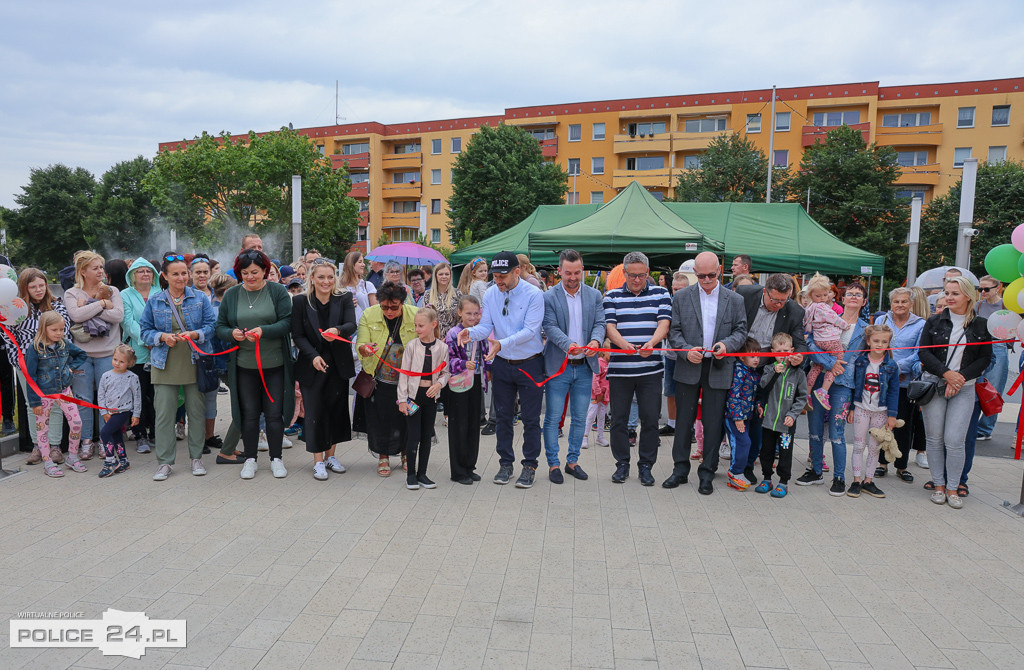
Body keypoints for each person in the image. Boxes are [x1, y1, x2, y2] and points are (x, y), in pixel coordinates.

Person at [458, 251, 545, 488]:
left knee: (530, 419)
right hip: (503, 364)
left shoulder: (534, 294)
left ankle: (529, 466)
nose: (498, 281)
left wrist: (501, 344)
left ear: (518, 271)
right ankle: (505, 464)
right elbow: (486, 326)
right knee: (503, 418)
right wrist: (469, 333)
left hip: (530, 363)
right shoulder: (491, 294)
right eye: (495, 276)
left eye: (502, 276)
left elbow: (530, 331)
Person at [665, 252, 748, 494]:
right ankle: (679, 470)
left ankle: (707, 474)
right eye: (701, 276)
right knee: (683, 423)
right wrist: (685, 351)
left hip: (719, 367)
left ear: (720, 271)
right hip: (689, 366)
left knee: (713, 424)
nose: (707, 280)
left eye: (711, 275)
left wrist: (726, 345)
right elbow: (674, 332)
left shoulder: (734, 299)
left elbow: (741, 331)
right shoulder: (681, 297)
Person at [216, 249, 294, 481]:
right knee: (248, 414)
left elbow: (287, 322)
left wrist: (264, 331)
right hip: (243, 365)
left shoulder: (278, 291)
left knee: (273, 413)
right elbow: (220, 327)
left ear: (265, 271)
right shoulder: (231, 295)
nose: (250, 277)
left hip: (275, 364)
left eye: (255, 272)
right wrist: (233, 334)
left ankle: (276, 458)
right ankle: (250, 459)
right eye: (245, 273)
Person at [141, 253, 219, 481]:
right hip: (164, 364)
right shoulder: (155, 300)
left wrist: (196, 334)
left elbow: (211, 326)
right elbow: (144, 330)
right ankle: (165, 463)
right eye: (175, 274)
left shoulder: (200, 298)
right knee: (164, 415)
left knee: (196, 412)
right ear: (164, 276)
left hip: (195, 362)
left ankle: (196, 458)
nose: (181, 277)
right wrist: (163, 336)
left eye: (184, 273)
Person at [918, 276, 992, 509]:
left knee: (955, 440)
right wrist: (947, 374)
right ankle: (939, 485)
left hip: (965, 388)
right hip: (935, 384)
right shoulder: (934, 322)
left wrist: (959, 379)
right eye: (947, 293)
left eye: (955, 293)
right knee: (935, 438)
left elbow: (985, 358)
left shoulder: (981, 324)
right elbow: (924, 353)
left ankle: (953, 487)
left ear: (968, 295)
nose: (949, 297)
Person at [602, 251, 672, 486]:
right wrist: (625, 346)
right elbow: (609, 328)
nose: (637, 280)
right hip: (621, 370)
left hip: (651, 370)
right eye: (632, 275)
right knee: (619, 420)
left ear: (647, 273)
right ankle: (622, 464)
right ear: (624, 273)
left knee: (650, 419)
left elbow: (664, 323)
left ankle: (646, 465)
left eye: (641, 275)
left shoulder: (662, 293)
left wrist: (652, 343)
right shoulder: (611, 296)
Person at [541, 249, 606, 484]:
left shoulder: (594, 295)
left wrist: (596, 341)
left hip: (585, 366)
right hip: (559, 367)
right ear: (559, 271)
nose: (573, 277)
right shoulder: (549, 297)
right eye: (568, 273)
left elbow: (600, 323)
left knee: (579, 417)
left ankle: (573, 461)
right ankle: (553, 464)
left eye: (577, 272)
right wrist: (569, 344)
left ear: (583, 270)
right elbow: (549, 327)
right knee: (553, 417)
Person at [735, 274, 807, 482]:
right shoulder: (745, 294)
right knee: (735, 414)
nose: (778, 305)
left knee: (759, 418)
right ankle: (731, 461)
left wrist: (798, 357)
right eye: (774, 300)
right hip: (741, 362)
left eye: (783, 301)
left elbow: (800, 342)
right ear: (765, 291)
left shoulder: (794, 311)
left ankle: (749, 465)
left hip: (768, 369)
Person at [801, 282, 869, 495]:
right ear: (842, 298)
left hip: (843, 383)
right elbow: (809, 342)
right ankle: (816, 471)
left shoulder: (865, 329)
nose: (853, 297)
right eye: (850, 294)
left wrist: (856, 401)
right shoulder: (824, 312)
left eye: (858, 295)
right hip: (818, 376)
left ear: (864, 301)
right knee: (814, 429)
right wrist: (829, 363)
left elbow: (862, 362)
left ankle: (839, 477)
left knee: (837, 433)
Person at [291, 258, 356, 481]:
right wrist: (313, 356)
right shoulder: (301, 301)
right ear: (312, 278)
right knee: (315, 412)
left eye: (330, 277)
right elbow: (297, 335)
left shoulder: (344, 297)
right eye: (321, 277)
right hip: (312, 364)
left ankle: (331, 456)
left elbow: (351, 325)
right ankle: (318, 461)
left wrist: (337, 330)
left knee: (336, 410)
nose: (326, 281)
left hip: (338, 363)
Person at [64, 251, 124, 460]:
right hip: (82, 355)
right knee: (83, 399)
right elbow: (76, 315)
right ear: (83, 271)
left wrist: (89, 306)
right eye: (95, 268)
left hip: (108, 353)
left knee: (106, 399)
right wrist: (101, 304)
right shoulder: (72, 293)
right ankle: (86, 441)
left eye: (101, 267)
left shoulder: (113, 290)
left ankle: (105, 440)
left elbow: (118, 316)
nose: (100, 271)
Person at [7, 268, 70, 464]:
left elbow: (64, 331)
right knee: (32, 404)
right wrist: (17, 360)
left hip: (51, 362)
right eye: (33, 286)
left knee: (54, 404)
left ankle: (54, 446)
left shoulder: (56, 306)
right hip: (26, 363)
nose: (38, 289)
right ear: (24, 288)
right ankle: (37, 445)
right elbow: (9, 337)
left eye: (41, 285)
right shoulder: (16, 309)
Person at [356, 281, 418, 476]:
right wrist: (364, 350)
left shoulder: (415, 314)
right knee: (381, 418)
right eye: (385, 307)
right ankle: (383, 456)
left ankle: (406, 454)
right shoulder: (369, 314)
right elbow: (361, 344)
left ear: (403, 302)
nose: (389, 311)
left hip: (407, 378)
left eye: (394, 307)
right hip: (380, 377)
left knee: (407, 417)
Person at [24, 312, 87, 478]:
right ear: (43, 329)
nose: (59, 333)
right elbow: (30, 377)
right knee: (43, 429)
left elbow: (82, 354)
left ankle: (72, 457)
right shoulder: (35, 348)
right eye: (54, 330)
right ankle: (47, 462)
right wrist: (35, 402)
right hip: (44, 395)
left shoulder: (64, 344)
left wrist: (70, 368)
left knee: (76, 422)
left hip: (65, 391)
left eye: (61, 329)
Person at [873, 287, 925, 482]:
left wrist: (896, 369)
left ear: (911, 304)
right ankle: (881, 463)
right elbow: (875, 346)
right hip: (881, 379)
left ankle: (902, 466)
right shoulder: (881, 321)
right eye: (896, 301)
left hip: (905, 381)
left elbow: (919, 352)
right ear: (891, 304)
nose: (900, 305)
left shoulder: (921, 324)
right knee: (880, 422)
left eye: (904, 301)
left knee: (904, 423)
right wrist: (886, 369)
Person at [398, 308, 450, 490]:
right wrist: (402, 400)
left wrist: (439, 384)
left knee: (427, 435)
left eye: (421, 325)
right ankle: (410, 475)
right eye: (415, 325)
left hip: (430, 397)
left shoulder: (442, 348)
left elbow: (446, 372)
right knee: (414, 435)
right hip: (414, 397)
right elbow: (404, 375)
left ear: (433, 325)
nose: (417, 329)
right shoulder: (412, 346)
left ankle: (423, 474)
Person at [845, 324, 899, 499]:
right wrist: (852, 408)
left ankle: (868, 481)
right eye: (876, 340)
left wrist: (892, 415)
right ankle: (856, 480)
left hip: (881, 412)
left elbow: (894, 391)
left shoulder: (891, 366)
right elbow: (854, 386)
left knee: (874, 448)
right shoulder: (860, 361)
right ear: (868, 341)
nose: (879, 344)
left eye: (884, 341)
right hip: (861, 409)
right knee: (859, 446)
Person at [753, 332, 808, 498]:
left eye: (786, 351)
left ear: (792, 351)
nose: (782, 355)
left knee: (785, 452)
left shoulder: (798, 374)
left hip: (786, 425)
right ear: (772, 352)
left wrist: (793, 414)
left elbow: (801, 398)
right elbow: (763, 386)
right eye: (779, 352)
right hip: (769, 422)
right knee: (767, 451)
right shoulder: (769, 369)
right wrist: (774, 373)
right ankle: (767, 478)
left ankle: (783, 481)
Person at [446, 295, 490, 484]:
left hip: (476, 380)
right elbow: (447, 360)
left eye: (476, 313)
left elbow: (486, 352)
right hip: (459, 382)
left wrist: (488, 368)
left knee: (473, 424)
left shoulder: (480, 332)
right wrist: (464, 363)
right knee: (459, 426)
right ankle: (457, 471)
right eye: (468, 313)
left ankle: (470, 466)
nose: (473, 317)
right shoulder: (453, 333)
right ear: (459, 313)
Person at [120, 257, 158, 454]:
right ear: (132, 276)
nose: (145, 274)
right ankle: (140, 433)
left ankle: (156, 433)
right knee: (139, 396)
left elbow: (164, 319)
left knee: (158, 395)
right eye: (140, 271)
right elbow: (128, 322)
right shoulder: (125, 295)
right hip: (138, 352)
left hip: (160, 352)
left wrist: (158, 339)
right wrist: (148, 339)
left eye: (149, 271)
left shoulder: (161, 293)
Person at [803, 274, 852, 410]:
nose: (823, 298)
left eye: (825, 295)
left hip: (818, 340)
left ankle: (807, 393)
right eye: (819, 296)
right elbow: (834, 319)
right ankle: (823, 391)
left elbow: (806, 322)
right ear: (811, 295)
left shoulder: (810, 307)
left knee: (817, 366)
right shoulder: (823, 307)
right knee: (837, 362)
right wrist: (845, 325)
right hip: (831, 339)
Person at [96, 344, 142, 478]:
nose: (117, 363)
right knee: (115, 435)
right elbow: (101, 395)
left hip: (123, 412)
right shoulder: (106, 376)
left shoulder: (132, 377)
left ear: (130, 363)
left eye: (122, 362)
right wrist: (104, 412)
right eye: (115, 359)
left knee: (104, 433)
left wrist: (136, 414)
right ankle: (123, 460)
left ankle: (110, 461)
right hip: (109, 412)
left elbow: (137, 397)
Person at [724, 338, 763, 491]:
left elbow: (754, 394)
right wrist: (738, 417)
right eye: (752, 356)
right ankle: (735, 473)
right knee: (742, 442)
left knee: (748, 443)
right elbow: (733, 395)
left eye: (758, 356)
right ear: (742, 356)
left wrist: (758, 405)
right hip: (734, 417)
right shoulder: (739, 371)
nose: (756, 359)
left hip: (747, 416)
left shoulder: (753, 373)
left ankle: (739, 472)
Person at [975, 275, 1007, 441]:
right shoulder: (978, 305)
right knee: (976, 385)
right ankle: (974, 424)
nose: (983, 292)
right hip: (979, 346)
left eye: (986, 289)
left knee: (993, 388)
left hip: (998, 345)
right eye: (981, 289)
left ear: (997, 288)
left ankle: (985, 428)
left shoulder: (1005, 304)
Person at [660, 271, 690, 436]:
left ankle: (689, 428)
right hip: (671, 355)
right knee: (670, 392)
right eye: (675, 289)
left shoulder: (693, 306)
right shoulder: (667, 305)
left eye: (681, 289)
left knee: (688, 394)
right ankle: (672, 424)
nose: (677, 292)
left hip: (687, 356)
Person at [339, 251, 378, 324]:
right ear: (351, 264)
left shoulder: (367, 285)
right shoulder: (339, 287)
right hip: (346, 328)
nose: (363, 265)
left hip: (365, 327)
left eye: (363, 262)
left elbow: (375, 310)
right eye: (360, 262)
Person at [425, 262, 461, 339]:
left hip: (453, 338)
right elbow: (425, 317)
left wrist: (450, 336)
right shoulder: (428, 294)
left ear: (450, 276)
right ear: (435, 276)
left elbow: (461, 318)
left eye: (447, 274)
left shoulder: (457, 293)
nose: (444, 276)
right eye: (441, 274)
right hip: (433, 338)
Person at [586, 347, 611, 447]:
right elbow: (595, 379)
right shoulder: (599, 363)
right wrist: (598, 393)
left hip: (605, 397)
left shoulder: (610, 364)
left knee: (601, 417)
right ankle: (585, 436)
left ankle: (600, 437)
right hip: (596, 396)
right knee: (591, 415)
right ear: (604, 351)